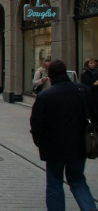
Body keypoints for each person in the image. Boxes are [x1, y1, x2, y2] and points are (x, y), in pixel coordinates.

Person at [30, 59, 98, 211]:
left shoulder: (46, 96)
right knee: (78, 181)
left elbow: (36, 124)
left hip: (54, 148)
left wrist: (40, 143)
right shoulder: (83, 91)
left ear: (51, 75)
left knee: (54, 184)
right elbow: (94, 116)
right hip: (79, 147)